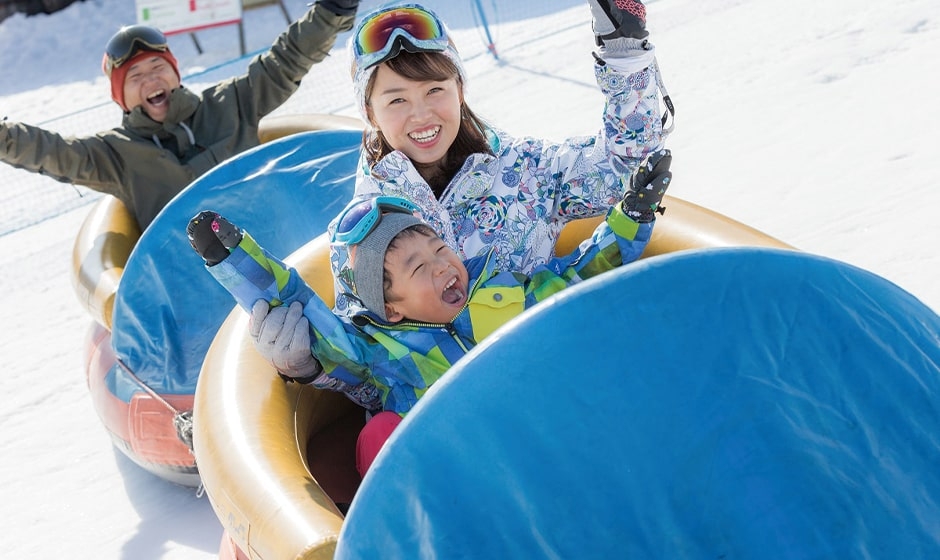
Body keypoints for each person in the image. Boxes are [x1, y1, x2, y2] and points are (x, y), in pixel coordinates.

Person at [248, 1, 675, 392]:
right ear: (370, 113)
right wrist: (306, 367)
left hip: (560, 374)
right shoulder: (363, 232)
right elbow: (371, 373)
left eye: (435, 89)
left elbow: (624, 166)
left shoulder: (523, 171)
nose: (421, 115)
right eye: (396, 99)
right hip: (458, 427)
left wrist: (625, 56)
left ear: (459, 89)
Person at [188, 148, 672, 475]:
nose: (443, 266)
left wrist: (631, 214)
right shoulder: (383, 355)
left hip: (553, 439)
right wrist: (232, 257)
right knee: (380, 435)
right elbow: (306, 313)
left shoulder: (505, 292)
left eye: (440, 249)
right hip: (467, 476)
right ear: (390, 309)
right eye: (419, 267)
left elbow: (583, 271)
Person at [0, 0, 359, 231]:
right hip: (199, 286)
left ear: (175, 73)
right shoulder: (115, 156)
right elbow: (49, 150)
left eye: (158, 67)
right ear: (120, 98)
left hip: (276, 239)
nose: (151, 80)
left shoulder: (230, 104)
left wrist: (331, 13)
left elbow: (284, 61)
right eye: (135, 78)